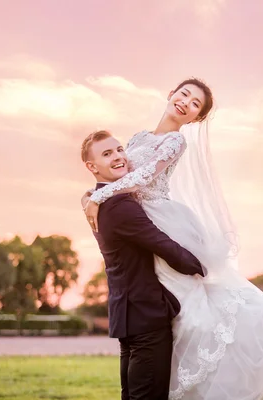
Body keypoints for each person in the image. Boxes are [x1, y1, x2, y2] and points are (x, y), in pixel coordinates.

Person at [82, 78, 263, 399]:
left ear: (195, 117)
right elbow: (115, 169)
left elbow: (141, 177)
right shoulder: (138, 137)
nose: (186, 102)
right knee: (157, 291)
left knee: (191, 299)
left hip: (156, 214)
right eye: (184, 94)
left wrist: (98, 197)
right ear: (170, 94)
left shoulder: (175, 142)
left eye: (195, 104)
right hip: (133, 215)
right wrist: (92, 195)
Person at [81, 130, 205, 400]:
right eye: (107, 154)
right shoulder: (119, 206)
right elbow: (164, 246)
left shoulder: (98, 202)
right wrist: (203, 267)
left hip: (127, 318)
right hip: (146, 318)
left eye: (119, 149)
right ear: (92, 167)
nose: (118, 157)